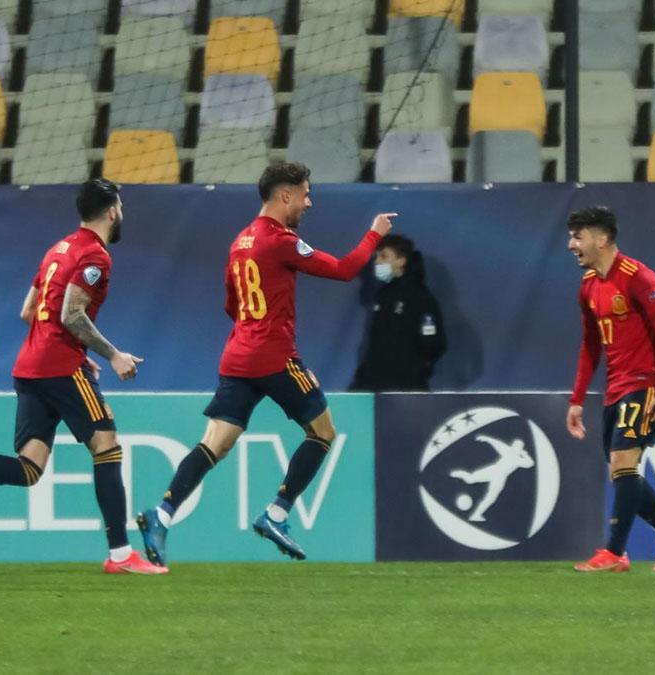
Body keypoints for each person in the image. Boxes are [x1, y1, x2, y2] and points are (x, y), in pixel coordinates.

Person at [136, 162, 395, 565]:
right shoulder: (281, 241)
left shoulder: (239, 242)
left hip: (238, 356)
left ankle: (162, 514)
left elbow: (231, 305)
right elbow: (345, 270)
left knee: (215, 443)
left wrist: (256, 337)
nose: (309, 202)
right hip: (273, 356)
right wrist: (374, 232)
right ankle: (276, 513)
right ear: (284, 195)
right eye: (306, 194)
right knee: (323, 432)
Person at [0, 179, 167, 575]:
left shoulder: (58, 249)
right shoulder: (95, 257)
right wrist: (111, 355)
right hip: (59, 366)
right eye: (121, 207)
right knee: (107, 446)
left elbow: (30, 310)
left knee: (29, 467)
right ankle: (120, 555)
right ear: (112, 210)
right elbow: (71, 315)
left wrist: (73, 348)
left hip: (31, 367)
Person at [564, 206, 655, 573]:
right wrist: (576, 399)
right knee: (623, 473)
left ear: (601, 239)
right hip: (615, 387)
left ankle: (615, 553)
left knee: (623, 464)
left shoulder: (638, 278)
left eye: (578, 236)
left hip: (645, 384)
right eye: (571, 237)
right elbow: (590, 346)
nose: (572, 244)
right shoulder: (588, 285)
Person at [349, 234, 446, 391]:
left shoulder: (420, 297)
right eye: (377, 257)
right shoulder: (383, 296)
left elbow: (433, 345)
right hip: (374, 386)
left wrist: (414, 371)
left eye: (384, 256)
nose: (377, 262)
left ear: (401, 261)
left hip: (407, 389)